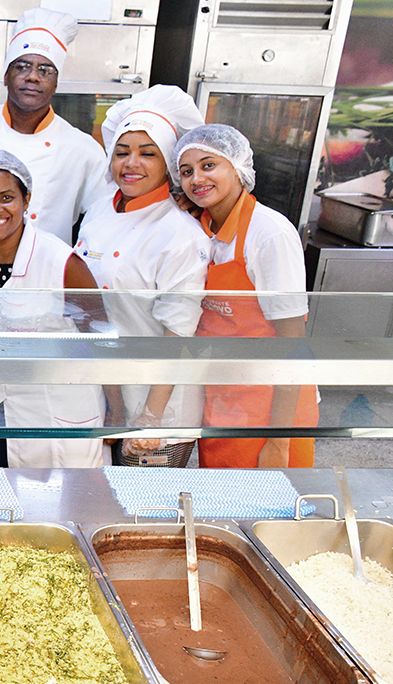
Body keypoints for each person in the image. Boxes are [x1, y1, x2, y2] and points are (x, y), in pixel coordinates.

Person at [75, 85, 209, 467]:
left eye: (147, 154)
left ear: (167, 164)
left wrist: (151, 416)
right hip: (104, 391)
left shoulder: (181, 233)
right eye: (122, 152)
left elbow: (177, 337)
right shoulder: (101, 210)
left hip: (158, 403)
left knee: (145, 518)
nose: (131, 163)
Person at [173, 124, 318, 468]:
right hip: (223, 403)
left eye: (209, 165)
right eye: (186, 171)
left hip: (270, 411)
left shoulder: (269, 234)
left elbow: (292, 345)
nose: (196, 179)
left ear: (238, 168)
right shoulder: (201, 228)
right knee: (222, 517)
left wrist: (279, 442)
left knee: (270, 518)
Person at [0, 149, 105, 468]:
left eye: (7, 197)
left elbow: (102, 341)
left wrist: (116, 417)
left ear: (26, 199)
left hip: (60, 417)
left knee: (62, 512)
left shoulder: (63, 262)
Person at [0, 8, 106, 244]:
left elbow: (106, 218)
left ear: (56, 83)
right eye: (22, 67)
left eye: (45, 70)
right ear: (6, 76)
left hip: (42, 277)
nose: (33, 77)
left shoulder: (82, 150)